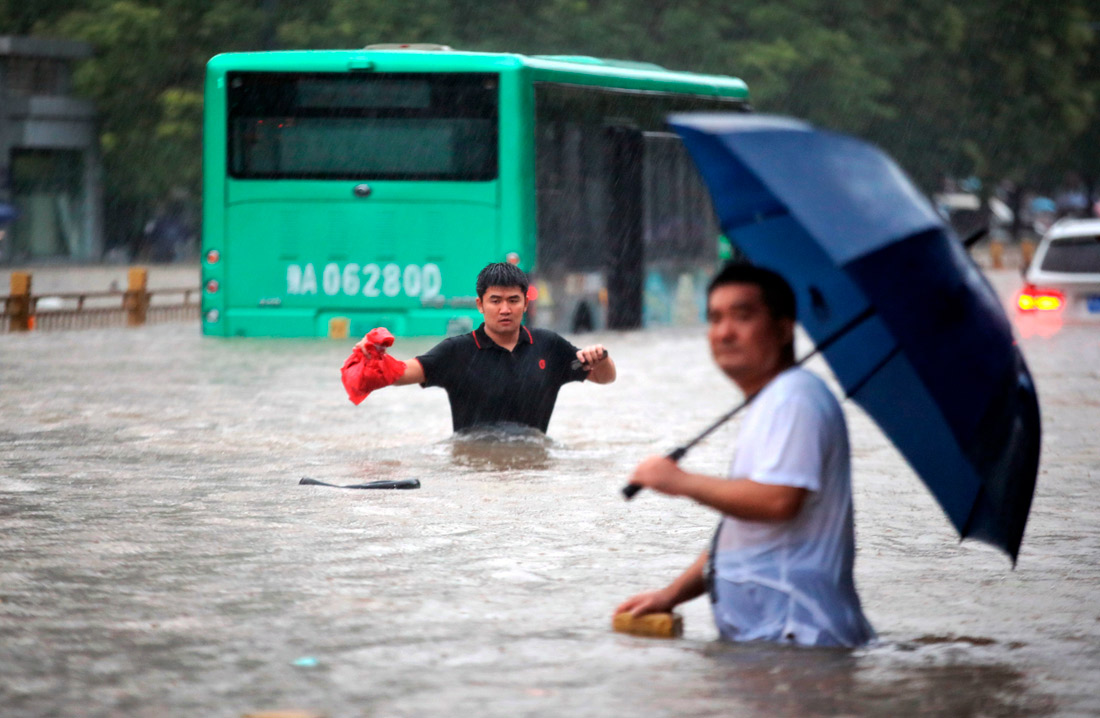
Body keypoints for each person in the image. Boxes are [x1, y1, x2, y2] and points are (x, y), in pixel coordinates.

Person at [614, 263, 874, 648]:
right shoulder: (770, 402)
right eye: (715, 318)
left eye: (742, 316)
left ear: (784, 328)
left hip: (799, 644)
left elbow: (778, 501)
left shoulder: (794, 398)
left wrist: (681, 482)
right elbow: (744, 536)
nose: (724, 332)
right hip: (769, 645)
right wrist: (670, 595)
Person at [341, 262, 616, 434]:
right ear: (480, 305)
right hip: (473, 472)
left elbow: (604, 378)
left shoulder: (548, 346)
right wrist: (371, 358)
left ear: (525, 303)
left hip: (533, 473)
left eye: (513, 300)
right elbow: (402, 373)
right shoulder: (456, 352)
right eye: (495, 300)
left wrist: (601, 358)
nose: (505, 309)